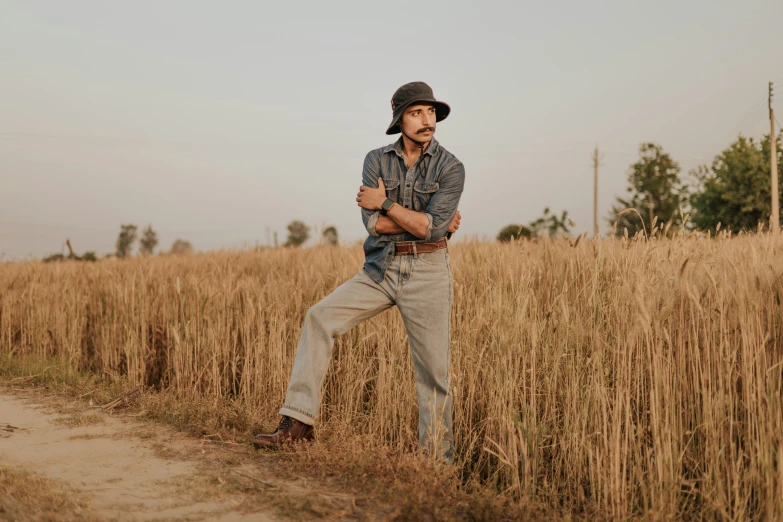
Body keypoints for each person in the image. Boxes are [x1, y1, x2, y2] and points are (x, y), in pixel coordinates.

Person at [253, 81, 465, 462]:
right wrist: (424, 219)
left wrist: (386, 202)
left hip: (429, 271)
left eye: (431, 112)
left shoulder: (451, 167)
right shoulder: (376, 160)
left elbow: (429, 230)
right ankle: (298, 424)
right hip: (382, 266)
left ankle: (436, 465)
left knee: (434, 374)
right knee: (319, 318)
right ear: (400, 118)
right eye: (417, 112)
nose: (426, 120)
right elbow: (375, 226)